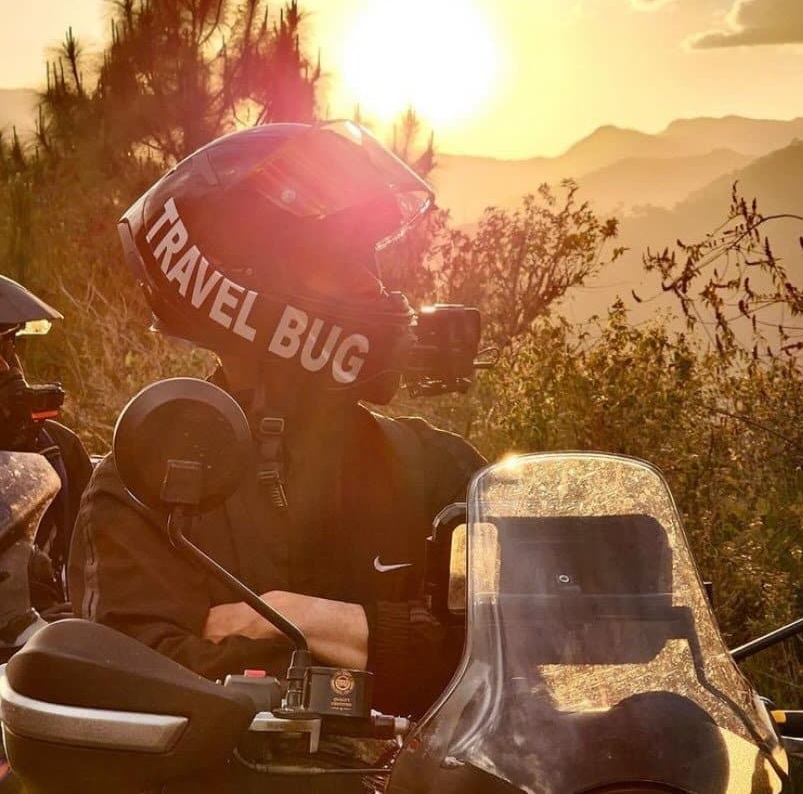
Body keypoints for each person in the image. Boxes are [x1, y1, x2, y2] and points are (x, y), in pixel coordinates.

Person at [69, 121, 486, 718]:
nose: (379, 293)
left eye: (373, 265)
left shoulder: (437, 467)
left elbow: (511, 655)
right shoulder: (142, 487)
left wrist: (297, 616)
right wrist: (389, 645)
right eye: (343, 264)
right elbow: (147, 684)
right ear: (244, 285)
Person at [0, 276, 92, 609]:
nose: (8, 369)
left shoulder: (58, 446)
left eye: (9, 349)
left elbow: (97, 569)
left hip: (39, 633)